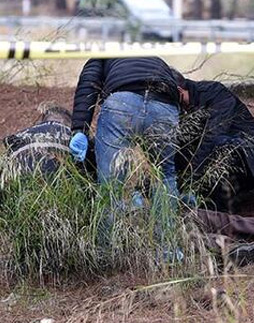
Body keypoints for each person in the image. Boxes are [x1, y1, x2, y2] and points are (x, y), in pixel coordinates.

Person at [69, 57, 181, 248]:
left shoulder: (103, 53)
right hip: (165, 108)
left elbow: (88, 84)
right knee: (165, 177)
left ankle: (107, 250)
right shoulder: (154, 58)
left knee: (111, 183)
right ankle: (168, 249)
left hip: (122, 102)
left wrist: (80, 129)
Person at [173, 73, 254, 212]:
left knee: (220, 146)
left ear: (179, 91)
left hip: (249, 157)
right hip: (212, 160)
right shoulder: (184, 107)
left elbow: (212, 135)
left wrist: (191, 178)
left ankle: (220, 214)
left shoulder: (215, 92)